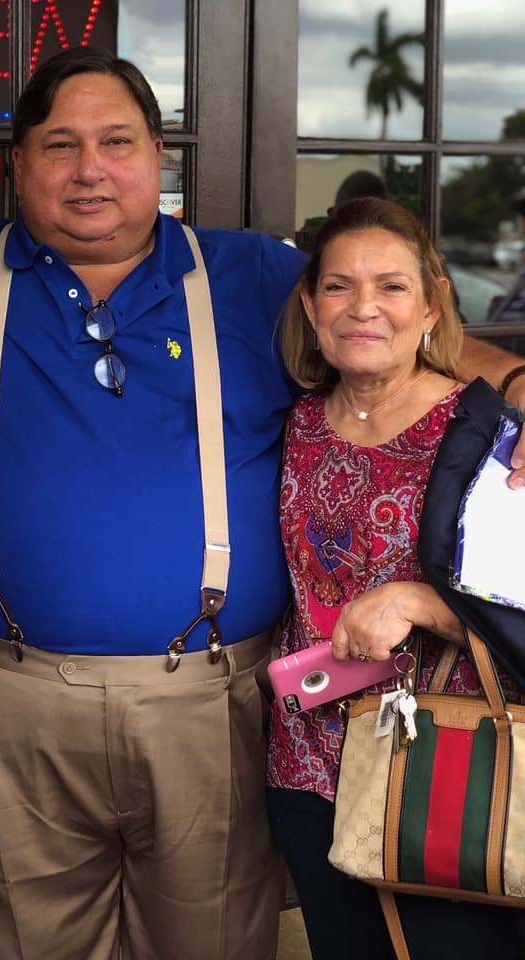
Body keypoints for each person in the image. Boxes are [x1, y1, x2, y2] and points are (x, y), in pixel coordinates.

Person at [0, 47, 525, 960]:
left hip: (210, 703)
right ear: (17, 163)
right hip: (8, 700)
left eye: (116, 141)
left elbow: (386, 327)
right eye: (60, 145)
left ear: (157, 156)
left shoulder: (255, 276)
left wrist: (520, 391)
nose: (89, 169)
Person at [266, 196, 525, 958]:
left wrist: (422, 602)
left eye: (391, 286)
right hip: (306, 770)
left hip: (444, 772)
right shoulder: (299, 421)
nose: (363, 308)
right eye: (340, 287)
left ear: (431, 306)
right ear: (312, 308)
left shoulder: (487, 438)